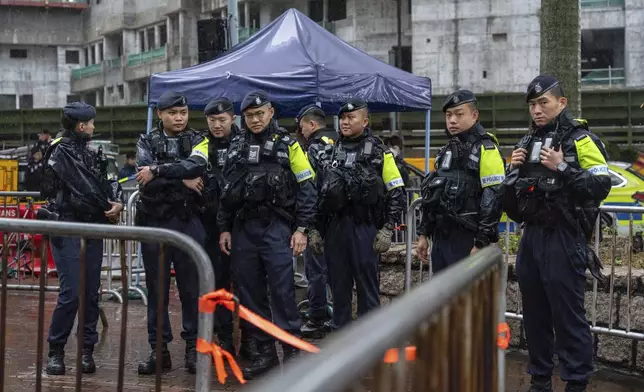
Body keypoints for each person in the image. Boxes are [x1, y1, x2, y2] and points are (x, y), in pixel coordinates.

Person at [502, 75, 611, 392]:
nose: (536, 110)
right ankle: (539, 381)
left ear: (561, 103)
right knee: (534, 315)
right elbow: (511, 208)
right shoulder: (526, 143)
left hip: (565, 237)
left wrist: (563, 167)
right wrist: (512, 172)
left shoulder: (580, 140)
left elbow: (600, 186)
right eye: (532, 105)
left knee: (567, 315)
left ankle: (576, 382)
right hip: (531, 238)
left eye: (543, 103)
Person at [217, 90, 316, 379]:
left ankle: (292, 351)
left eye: (260, 114)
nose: (255, 120)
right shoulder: (236, 146)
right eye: (249, 116)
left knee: (283, 291)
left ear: (271, 112)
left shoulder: (289, 145)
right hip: (244, 228)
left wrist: (302, 229)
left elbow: (307, 187)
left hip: (277, 227)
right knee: (250, 293)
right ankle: (265, 353)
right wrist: (224, 227)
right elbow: (227, 193)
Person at [39, 102, 124, 375]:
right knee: (72, 291)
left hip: (91, 227)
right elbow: (85, 187)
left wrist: (118, 202)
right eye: (91, 122)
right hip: (67, 226)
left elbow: (110, 180)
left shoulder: (88, 152)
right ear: (80, 125)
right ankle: (56, 349)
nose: (94, 126)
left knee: (89, 292)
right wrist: (108, 207)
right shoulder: (61, 150)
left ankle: (87, 349)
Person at [311, 98, 405, 330]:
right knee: (339, 286)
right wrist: (314, 228)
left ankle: (369, 341)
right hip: (335, 229)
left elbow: (397, 191)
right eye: (342, 118)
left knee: (367, 288)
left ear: (365, 121)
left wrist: (387, 228)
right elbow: (319, 195)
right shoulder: (330, 152)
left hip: (365, 228)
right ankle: (341, 338)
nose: (345, 122)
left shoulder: (380, 152)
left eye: (351, 118)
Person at [134, 91, 209, 375]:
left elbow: (198, 166)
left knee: (192, 289)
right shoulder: (146, 141)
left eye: (183, 113)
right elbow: (146, 184)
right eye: (173, 113)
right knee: (158, 291)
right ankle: (159, 350)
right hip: (156, 224)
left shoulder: (198, 139)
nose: (179, 118)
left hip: (189, 221)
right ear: (161, 114)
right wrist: (181, 181)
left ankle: (193, 348)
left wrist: (158, 170)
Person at [415, 90, 506, 273]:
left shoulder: (486, 149)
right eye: (448, 115)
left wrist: (481, 242)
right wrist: (424, 234)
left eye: (459, 114)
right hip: (441, 239)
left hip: (469, 239)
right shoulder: (444, 152)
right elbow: (432, 195)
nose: (452, 120)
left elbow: (494, 197)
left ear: (474, 116)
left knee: (468, 300)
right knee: (443, 298)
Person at [193, 97, 240, 353]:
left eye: (222, 120)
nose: (217, 125)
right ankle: (224, 335)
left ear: (232, 118)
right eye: (212, 120)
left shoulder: (244, 143)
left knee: (247, 282)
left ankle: (251, 338)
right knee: (218, 282)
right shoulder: (202, 144)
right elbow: (187, 166)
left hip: (241, 223)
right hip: (211, 222)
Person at [294, 104, 336, 337]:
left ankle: (317, 316)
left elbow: (309, 188)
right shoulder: (338, 144)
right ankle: (337, 315)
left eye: (302, 127)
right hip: (338, 221)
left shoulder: (310, 150)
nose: (302, 132)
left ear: (311, 125)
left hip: (317, 220)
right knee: (336, 271)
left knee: (316, 271)